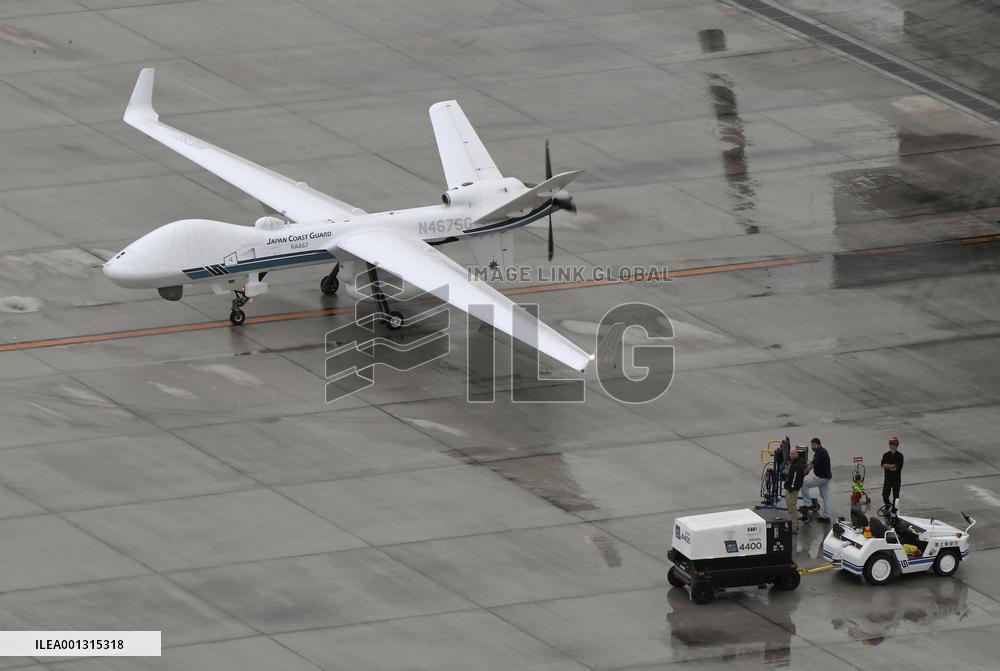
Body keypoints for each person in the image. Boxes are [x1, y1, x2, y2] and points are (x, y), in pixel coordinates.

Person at [802, 437, 832, 522]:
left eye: (814, 445)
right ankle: (826, 516)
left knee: (804, 485)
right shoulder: (821, 451)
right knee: (825, 497)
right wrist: (806, 465)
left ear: (819, 444)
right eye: (812, 445)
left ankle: (808, 504)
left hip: (821, 478)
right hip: (826, 477)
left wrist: (803, 473)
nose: (813, 447)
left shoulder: (820, 453)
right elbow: (812, 462)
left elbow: (812, 465)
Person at [784, 445, 807, 533]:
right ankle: (793, 524)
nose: (792, 455)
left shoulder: (797, 465)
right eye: (791, 454)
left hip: (792, 490)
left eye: (793, 454)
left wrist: (791, 488)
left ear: (797, 454)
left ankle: (794, 526)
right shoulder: (794, 462)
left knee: (792, 507)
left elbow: (795, 479)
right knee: (790, 507)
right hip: (790, 488)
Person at [881, 436, 904, 513]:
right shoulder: (886, 455)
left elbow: (897, 468)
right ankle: (887, 505)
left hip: (896, 479)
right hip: (888, 479)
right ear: (889, 445)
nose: (893, 446)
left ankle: (894, 509)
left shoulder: (900, 456)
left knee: (896, 496)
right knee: (885, 494)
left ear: (897, 446)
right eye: (892, 445)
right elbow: (883, 466)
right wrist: (893, 465)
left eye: (894, 445)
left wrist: (889, 466)